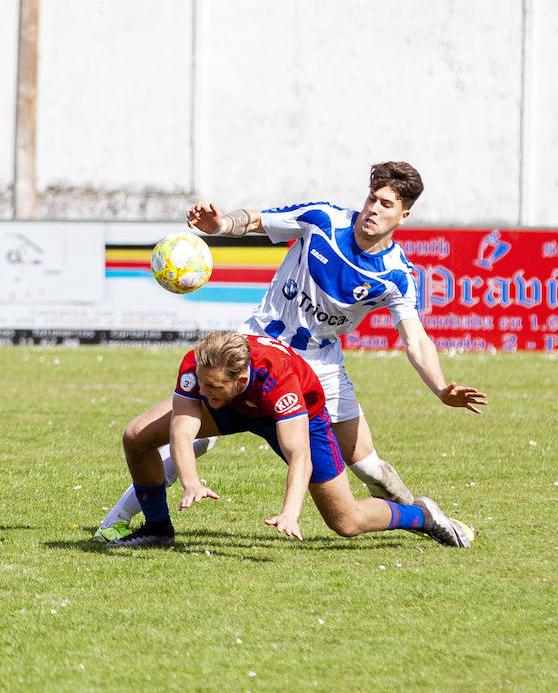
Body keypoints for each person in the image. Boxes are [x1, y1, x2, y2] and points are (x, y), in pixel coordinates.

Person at [96, 161, 487, 540]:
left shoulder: (396, 274)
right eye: (372, 198)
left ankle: (423, 517)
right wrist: (221, 226)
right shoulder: (323, 219)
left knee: (367, 466)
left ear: (404, 214)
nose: (373, 209)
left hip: (318, 370)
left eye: (386, 204)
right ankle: (128, 523)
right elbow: (256, 220)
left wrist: (439, 388)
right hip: (255, 348)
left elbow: (415, 337)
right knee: (188, 432)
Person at [106, 331, 473, 549]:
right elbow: (182, 429)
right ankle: (157, 528)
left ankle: (421, 515)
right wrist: (191, 483)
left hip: (302, 418)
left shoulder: (277, 379)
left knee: (347, 522)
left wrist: (290, 512)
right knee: (137, 435)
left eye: (211, 386)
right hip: (233, 407)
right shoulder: (199, 368)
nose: (201, 390)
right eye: (199, 383)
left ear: (241, 376)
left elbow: (299, 454)